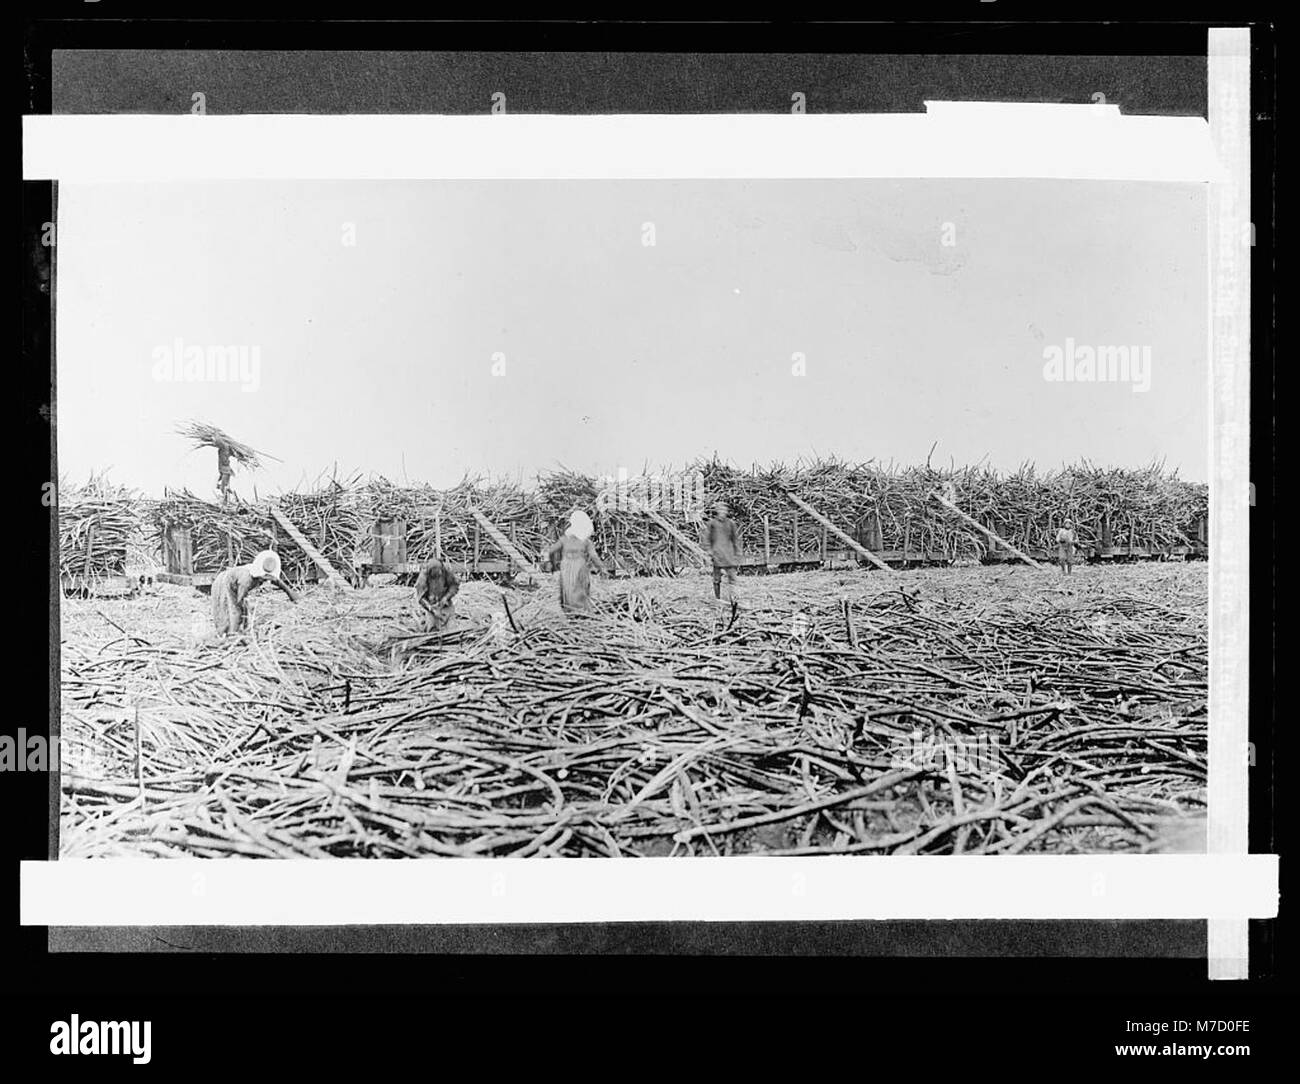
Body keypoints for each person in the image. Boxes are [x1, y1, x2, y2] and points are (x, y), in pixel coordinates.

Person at [211, 549, 298, 636]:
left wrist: (294, 597)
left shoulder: (266, 571)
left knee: (242, 612)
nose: (266, 581)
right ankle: (231, 635)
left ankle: (242, 633)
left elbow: (280, 583)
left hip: (235, 583)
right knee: (232, 611)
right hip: (223, 582)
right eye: (265, 578)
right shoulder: (247, 579)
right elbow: (239, 602)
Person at [546, 509, 606, 614]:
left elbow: (551, 551)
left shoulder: (565, 539)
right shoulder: (586, 541)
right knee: (580, 590)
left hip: (566, 566)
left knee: (567, 588)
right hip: (579, 566)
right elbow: (593, 556)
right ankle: (581, 611)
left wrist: (552, 563)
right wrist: (602, 568)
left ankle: (569, 611)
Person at [707, 500, 742, 604]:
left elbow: (735, 538)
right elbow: (706, 537)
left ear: (727, 511)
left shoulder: (731, 523)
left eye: (724, 510)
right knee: (716, 578)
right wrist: (709, 550)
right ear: (717, 511)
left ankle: (733, 598)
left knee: (732, 576)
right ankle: (717, 598)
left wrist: (737, 551)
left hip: (728, 553)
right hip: (717, 553)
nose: (722, 512)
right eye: (720, 510)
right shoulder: (712, 523)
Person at [414, 557, 459, 632]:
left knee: (452, 630)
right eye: (435, 576)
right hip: (431, 607)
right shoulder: (423, 578)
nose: (437, 578)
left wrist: (446, 597)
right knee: (432, 631)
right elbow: (420, 598)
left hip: (446, 606)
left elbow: (454, 585)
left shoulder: (446, 571)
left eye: (439, 574)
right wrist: (431, 609)